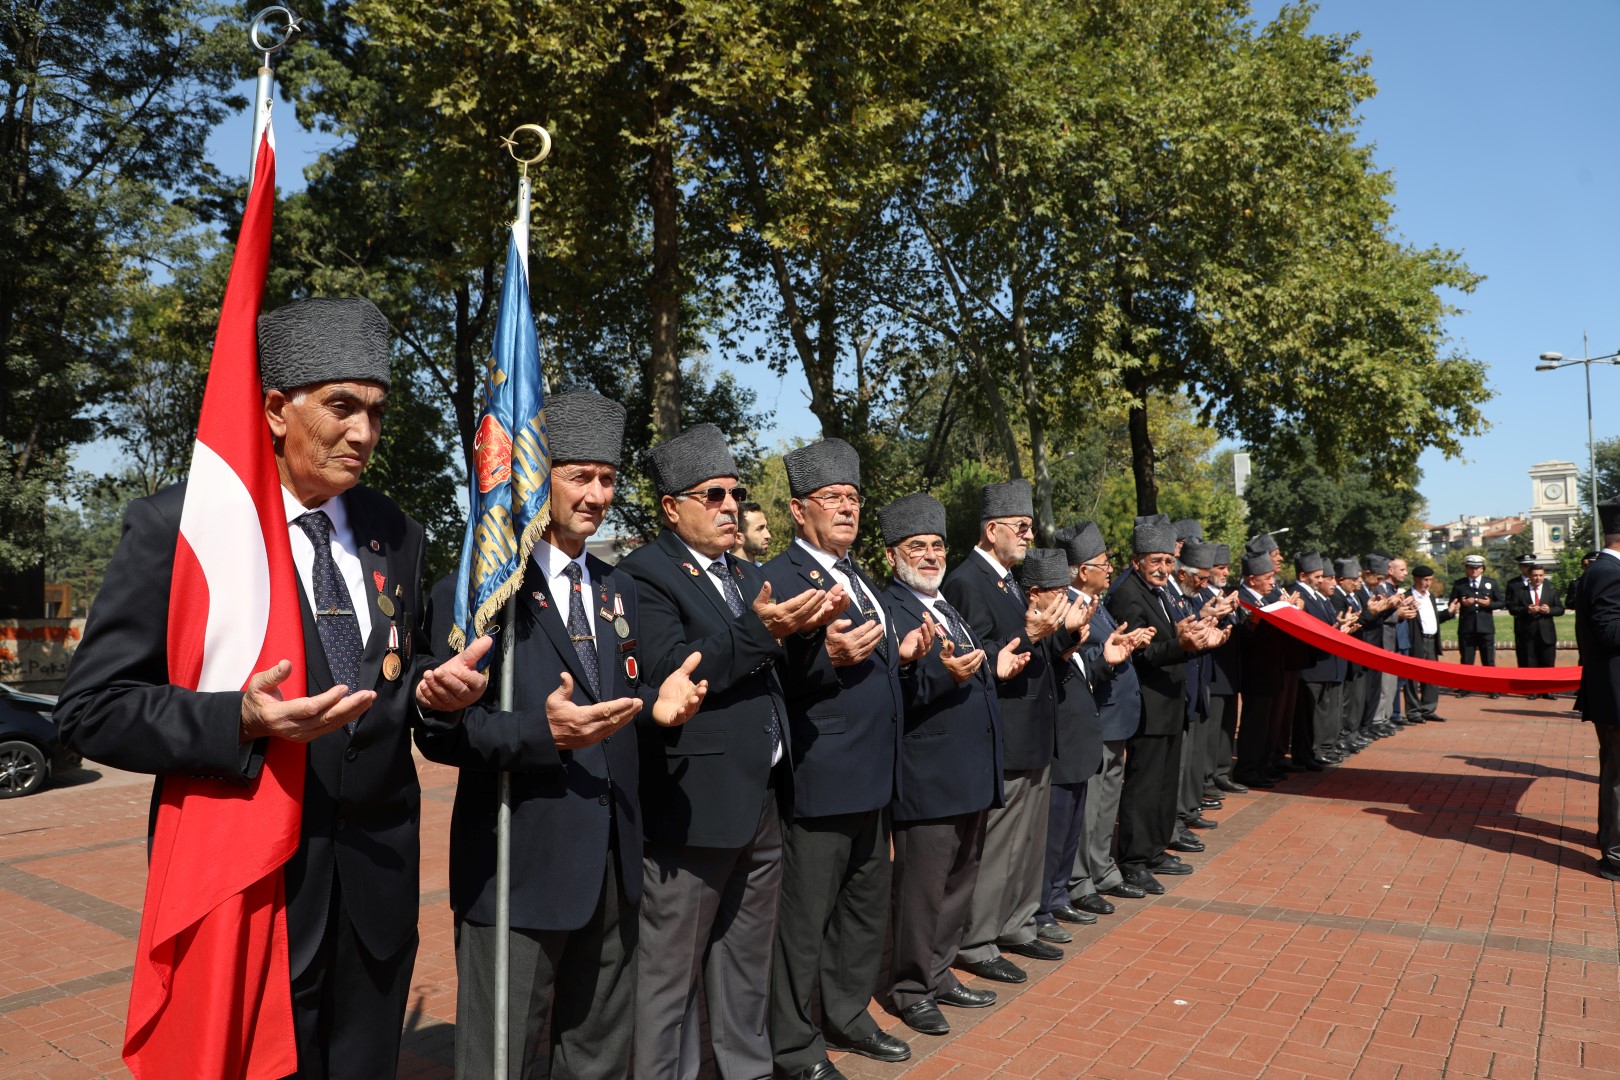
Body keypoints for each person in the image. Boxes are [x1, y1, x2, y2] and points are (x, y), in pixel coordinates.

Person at [55, 297, 491, 1078]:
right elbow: (90, 710)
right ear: (275, 408)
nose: (364, 433)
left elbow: (397, 672)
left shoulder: (399, 531)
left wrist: (435, 691)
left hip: (378, 903)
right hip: (253, 894)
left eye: (377, 412)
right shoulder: (184, 529)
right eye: (341, 407)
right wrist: (240, 720)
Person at [415, 390, 709, 1080]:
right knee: (503, 1056)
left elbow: (615, 694)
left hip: (612, 860)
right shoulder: (480, 590)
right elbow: (443, 732)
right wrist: (540, 734)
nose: (598, 495)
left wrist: (656, 706)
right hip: (521, 860)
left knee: (600, 1048)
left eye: (607, 479)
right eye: (580, 476)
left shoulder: (618, 586)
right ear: (535, 478)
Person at [620, 424, 847, 1080]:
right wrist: (763, 630)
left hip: (762, 799)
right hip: (693, 807)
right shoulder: (647, 575)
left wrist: (804, 635)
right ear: (672, 506)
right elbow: (672, 667)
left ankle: (747, 1070)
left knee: (746, 962)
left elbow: (772, 672)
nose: (731, 507)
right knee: (671, 975)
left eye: (737, 494)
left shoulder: (745, 574)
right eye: (713, 494)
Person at [763, 440, 929, 1079]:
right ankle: (794, 1045)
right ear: (799, 510)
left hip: (875, 778)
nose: (846, 509)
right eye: (832, 499)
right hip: (820, 778)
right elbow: (773, 675)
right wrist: (823, 660)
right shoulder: (778, 576)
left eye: (854, 499)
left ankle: (848, 1015)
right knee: (803, 923)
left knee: (863, 911)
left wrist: (906, 655)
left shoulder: (858, 577)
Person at [879, 494, 1004, 1037]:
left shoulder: (944, 605)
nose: (930, 557)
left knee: (958, 882)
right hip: (926, 776)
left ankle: (939, 969)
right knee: (922, 890)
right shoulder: (888, 608)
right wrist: (940, 676)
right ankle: (909, 987)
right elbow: (887, 694)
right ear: (892, 556)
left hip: (971, 771)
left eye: (935, 547)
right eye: (917, 548)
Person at [943, 479, 1075, 984]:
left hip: (1034, 727)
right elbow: (982, 653)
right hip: (1005, 728)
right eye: (1020, 527)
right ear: (991, 528)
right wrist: (1031, 633)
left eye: (1029, 526)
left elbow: (1030, 643)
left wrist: (1063, 634)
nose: (1028, 535)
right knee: (999, 844)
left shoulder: (1007, 580)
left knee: (1027, 840)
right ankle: (977, 940)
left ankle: (1018, 923)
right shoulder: (967, 581)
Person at [1108, 519, 1218, 895]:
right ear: (1137, 560)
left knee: (1165, 783)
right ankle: (1133, 859)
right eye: (1156, 561)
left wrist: (1196, 630)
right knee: (1143, 784)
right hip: (1147, 704)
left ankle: (1154, 849)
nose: (1164, 569)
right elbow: (1140, 654)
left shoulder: (1157, 591)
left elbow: (1171, 636)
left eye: (1169, 562)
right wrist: (1183, 645)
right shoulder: (1127, 593)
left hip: (1170, 701)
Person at [1063, 524, 1155, 912]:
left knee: (1107, 801)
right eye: (1103, 563)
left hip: (1117, 719)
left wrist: (1128, 643)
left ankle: (1101, 868)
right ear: (1083, 570)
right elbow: (1081, 663)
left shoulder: (1095, 603)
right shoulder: (1071, 606)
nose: (1109, 568)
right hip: (1096, 717)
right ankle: (1080, 878)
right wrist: (1110, 655)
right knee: (1091, 804)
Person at [1574, 500, 1620, 881]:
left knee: (1614, 771)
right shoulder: (1609, 572)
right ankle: (1616, 856)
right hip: (1615, 691)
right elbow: (1608, 632)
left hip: (1610, 690)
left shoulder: (1601, 570)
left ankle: (1610, 841)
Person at [1506, 561, 1564, 697]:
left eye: (1541, 575)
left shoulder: (1551, 591)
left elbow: (1560, 609)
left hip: (1546, 632)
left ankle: (1547, 690)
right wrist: (1527, 610)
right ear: (1529, 576)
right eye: (1535, 575)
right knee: (1530, 661)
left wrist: (1549, 610)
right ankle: (1532, 690)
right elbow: (1512, 609)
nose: (1538, 578)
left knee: (1548, 661)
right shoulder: (1520, 592)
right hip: (1527, 632)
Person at [1403, 565, 1451, 722]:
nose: (1428, 583)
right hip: (1416, 641)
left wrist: (1449, 613)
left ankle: (1428, 708)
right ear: (1416, 579)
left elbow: (1433, 618)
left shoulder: (1430, 596)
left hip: (1432, 640)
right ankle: (1414, 711)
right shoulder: (1407, 597)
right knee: (1413, 677)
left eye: (1430, 579)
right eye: (1425, 580)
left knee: (1431, 676)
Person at [1450, 553, 1500, 697]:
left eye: (1477, 568)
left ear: (1482, 569)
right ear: (1466, 569)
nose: (1473, 571)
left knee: (1489, 659)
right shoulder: (1459, 584)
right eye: (1470, 568)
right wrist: (1463, 604)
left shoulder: (1491, 583)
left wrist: (1490, 604)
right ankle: (1465, 687)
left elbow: (1501, 602)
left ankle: (1492, 687)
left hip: (1486, 627)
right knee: (1466, 659)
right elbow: (1452, 603)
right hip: (1467, 627)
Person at [733, 500, 773, 565]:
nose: (768, 535)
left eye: (766, 527)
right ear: (738, 538)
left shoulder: (764, 572)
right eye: (759, 529)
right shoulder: (724, 572)